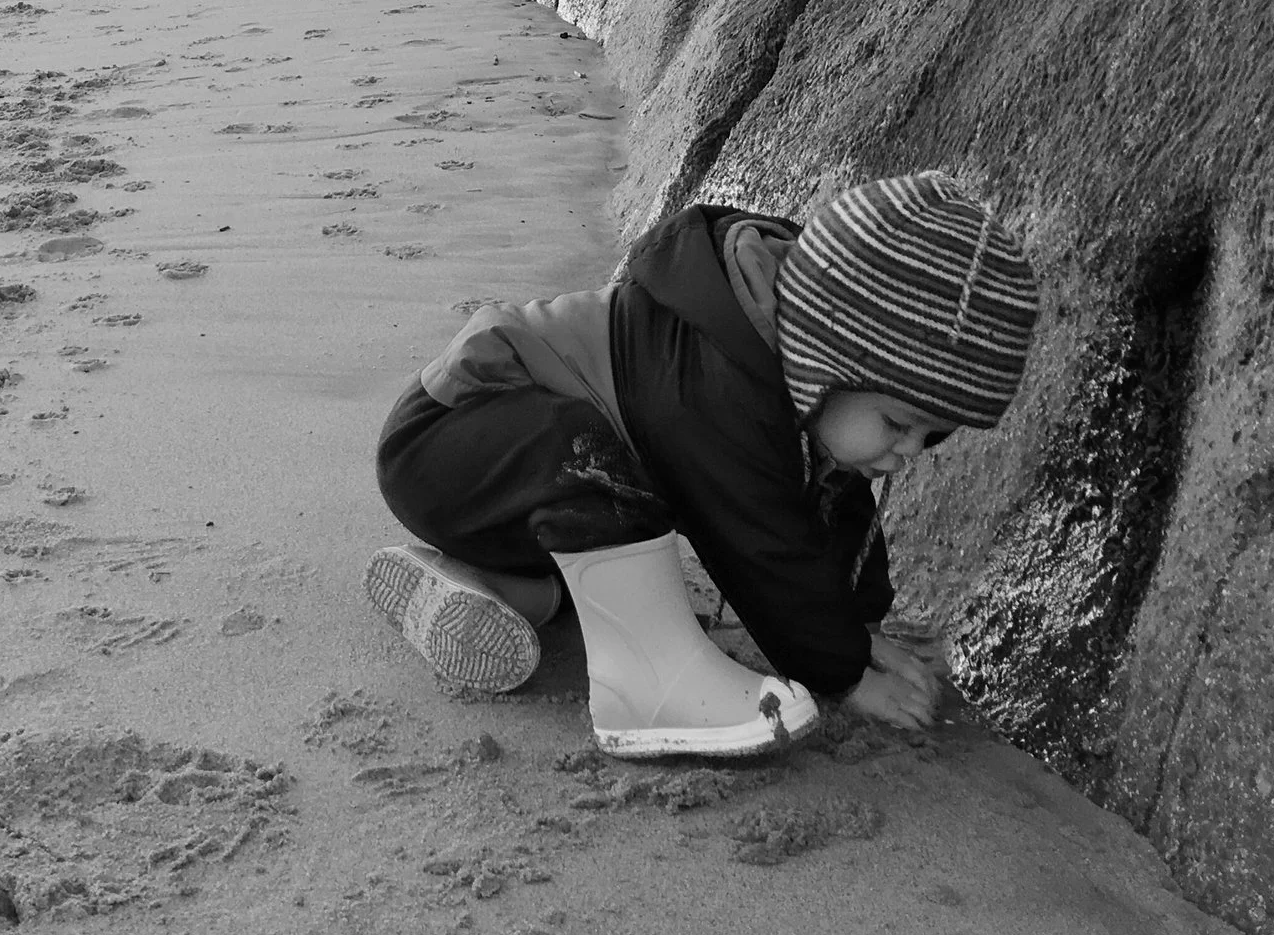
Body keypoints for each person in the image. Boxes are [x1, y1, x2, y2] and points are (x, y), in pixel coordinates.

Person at [365, 171, 1039, 759]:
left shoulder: (799, 383)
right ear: (829, 356)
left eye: (932, 433)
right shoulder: (718, 382)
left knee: (613, 523)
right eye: (897, 422)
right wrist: (845, 674)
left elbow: (831, 512)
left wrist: (860, 627)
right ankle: (649, 689)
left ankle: (506, 588)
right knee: (588, 458)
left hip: (510, 500)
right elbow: (760, 545)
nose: (910, 451)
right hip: (447, 441)